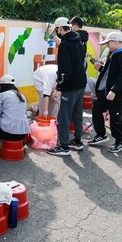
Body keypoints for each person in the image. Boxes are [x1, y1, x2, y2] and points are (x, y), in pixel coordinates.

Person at [88, 32, 122, 153]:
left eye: (108, 43)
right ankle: (101, 134)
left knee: (115, 117)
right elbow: (110, 74)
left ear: (115, 41)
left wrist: (114, 91)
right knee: (97, 108)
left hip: (117, 93)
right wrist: (101, 68)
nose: (107, 45)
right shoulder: (115, 54)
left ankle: (119, 142)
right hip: (108, 91)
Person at [46, 17, 86, 156]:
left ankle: (63, 146)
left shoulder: (65, 44)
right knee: (77, 113)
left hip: (70, 85)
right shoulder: (79, 40)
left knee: (64, 116)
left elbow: (64, 69)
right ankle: (77, 141)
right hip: (81, 83)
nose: (57, 32)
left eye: (57, 29)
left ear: (60, 28)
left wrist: (59, 88)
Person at [0, 74, 31, 149]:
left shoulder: (1, 95)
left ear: (3, 86)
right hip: (22, 135)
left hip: (6, 134)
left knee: (0, 120)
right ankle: (22, 144)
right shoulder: (22, 96)